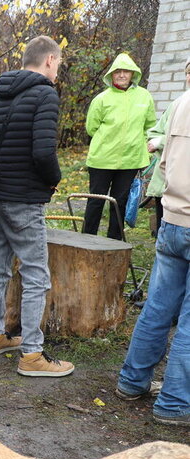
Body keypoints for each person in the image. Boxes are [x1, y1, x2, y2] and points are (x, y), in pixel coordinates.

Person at [0, 35, 74, 377]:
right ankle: (32, 354)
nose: (57, 68)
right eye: (57, 62)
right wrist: (52, 180)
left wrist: (4, 172)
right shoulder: (45, 94)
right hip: (25, 199)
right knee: (35, 275)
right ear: (48, 60)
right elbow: (44, 152)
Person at [114, 84, 190, 427]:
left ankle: (132, 381)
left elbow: (163, 157)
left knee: (157, 306)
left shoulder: (181, 102)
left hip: (172, 217)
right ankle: (174, 402)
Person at [83, 53, 157, 240]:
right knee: (96, 201)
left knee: (119, 202)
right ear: (111, 75)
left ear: (133, 74)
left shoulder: (144, 97)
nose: (122, 75)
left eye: (126, 71)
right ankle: (86, 239)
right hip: (102, 159)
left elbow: (150, 125)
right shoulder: (101, 99)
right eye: (118, 72)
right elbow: (91, 128)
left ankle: (113, 242)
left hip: (130, 160)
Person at [145, 57, 190, 238]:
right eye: (189, 73)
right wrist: (160, 141)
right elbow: (154, 134)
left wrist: (162, 142)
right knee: (164, 236)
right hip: (166, 183)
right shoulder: (176, 104)